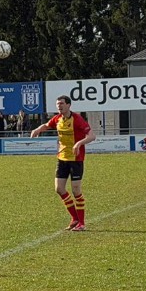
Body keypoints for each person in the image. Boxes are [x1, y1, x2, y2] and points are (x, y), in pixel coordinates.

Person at [30, 95, 96, 230]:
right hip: (62, 158)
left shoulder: (77, 119)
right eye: (57, 104)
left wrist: (79, 143)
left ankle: (82, 223)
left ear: (68, 105)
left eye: (61, 103)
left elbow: (92, 136)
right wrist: (37, 129)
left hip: (76, 159)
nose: (59, 106)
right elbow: (47, 125)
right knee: (59, 189)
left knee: (76, 190)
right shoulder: (57, 119)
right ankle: (74, 218)